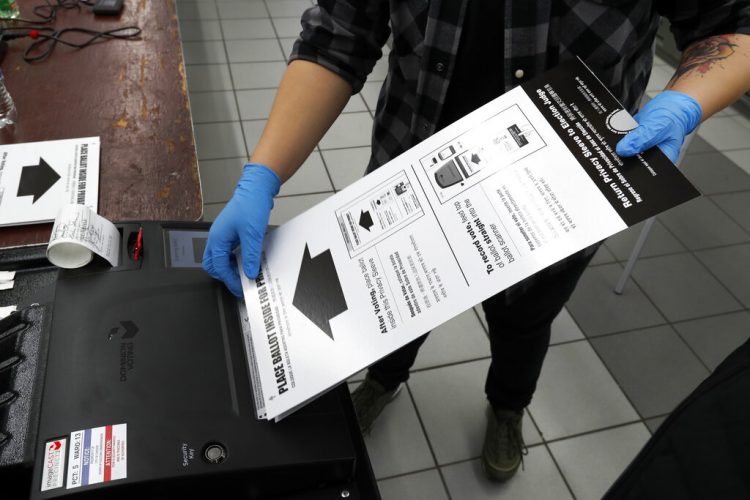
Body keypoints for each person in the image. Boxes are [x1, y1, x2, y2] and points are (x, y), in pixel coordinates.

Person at [203, 0, 750, 482]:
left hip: (556, 202)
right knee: (395, 306)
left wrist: (686, 101)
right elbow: (340, 33)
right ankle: (385, 378)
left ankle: (508, 408)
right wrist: (263, 174)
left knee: (524, 321)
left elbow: (733, 22)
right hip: (411, 175)